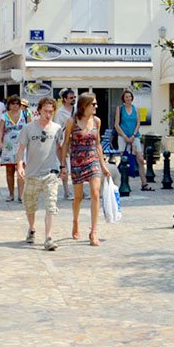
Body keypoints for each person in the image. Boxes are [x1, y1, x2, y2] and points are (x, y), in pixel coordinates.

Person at [18, 97, 62, 250]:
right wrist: (19, 165)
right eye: (46, 111)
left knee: (51, 205)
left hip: (50, 173)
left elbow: (59, 148)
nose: (48, 114)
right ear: (39, 111)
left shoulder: (57, 128)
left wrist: (63, 166)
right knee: (30, 206)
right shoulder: (28, 128)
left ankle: (49, 237)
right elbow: (21, 148)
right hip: (32, 174)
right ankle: (32, 228)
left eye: (51, 111)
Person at [63, 93, 107, 246]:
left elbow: (98, 144)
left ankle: (94, 231)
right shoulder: (72, 122)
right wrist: (63, 164)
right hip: (77, 161)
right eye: (93, 104)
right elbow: (65, 144)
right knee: (78, 198)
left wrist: (103, 165)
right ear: (84, 106)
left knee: (95, 194)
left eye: (96, 104)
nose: (96, 107)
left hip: (92, 159)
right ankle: (75, 221)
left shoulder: (97, 121)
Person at [113, 89, 151, 192]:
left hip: (135, 137)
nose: (128, 98)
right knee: (124, 160)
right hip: (122, 137)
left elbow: (138, 123)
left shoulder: (135, 109)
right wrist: (124, 136)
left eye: (130, 96)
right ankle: (123, 183)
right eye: (126, 97)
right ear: (123, 99)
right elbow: (116, 124)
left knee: (140, 159)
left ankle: (144, 183)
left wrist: (134, 135)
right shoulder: (120, 109)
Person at [0, 95, 29, 203]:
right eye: (13, 103)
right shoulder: (4, 116)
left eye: (17, 104)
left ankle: (21, 195)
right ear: (9, 104)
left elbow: (30, 128)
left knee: (21, 169)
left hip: (22, 145)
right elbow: (0, 129)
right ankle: (11, 193)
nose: (15, 106)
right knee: (9, 170)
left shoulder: (25, 114)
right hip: (8, 145)